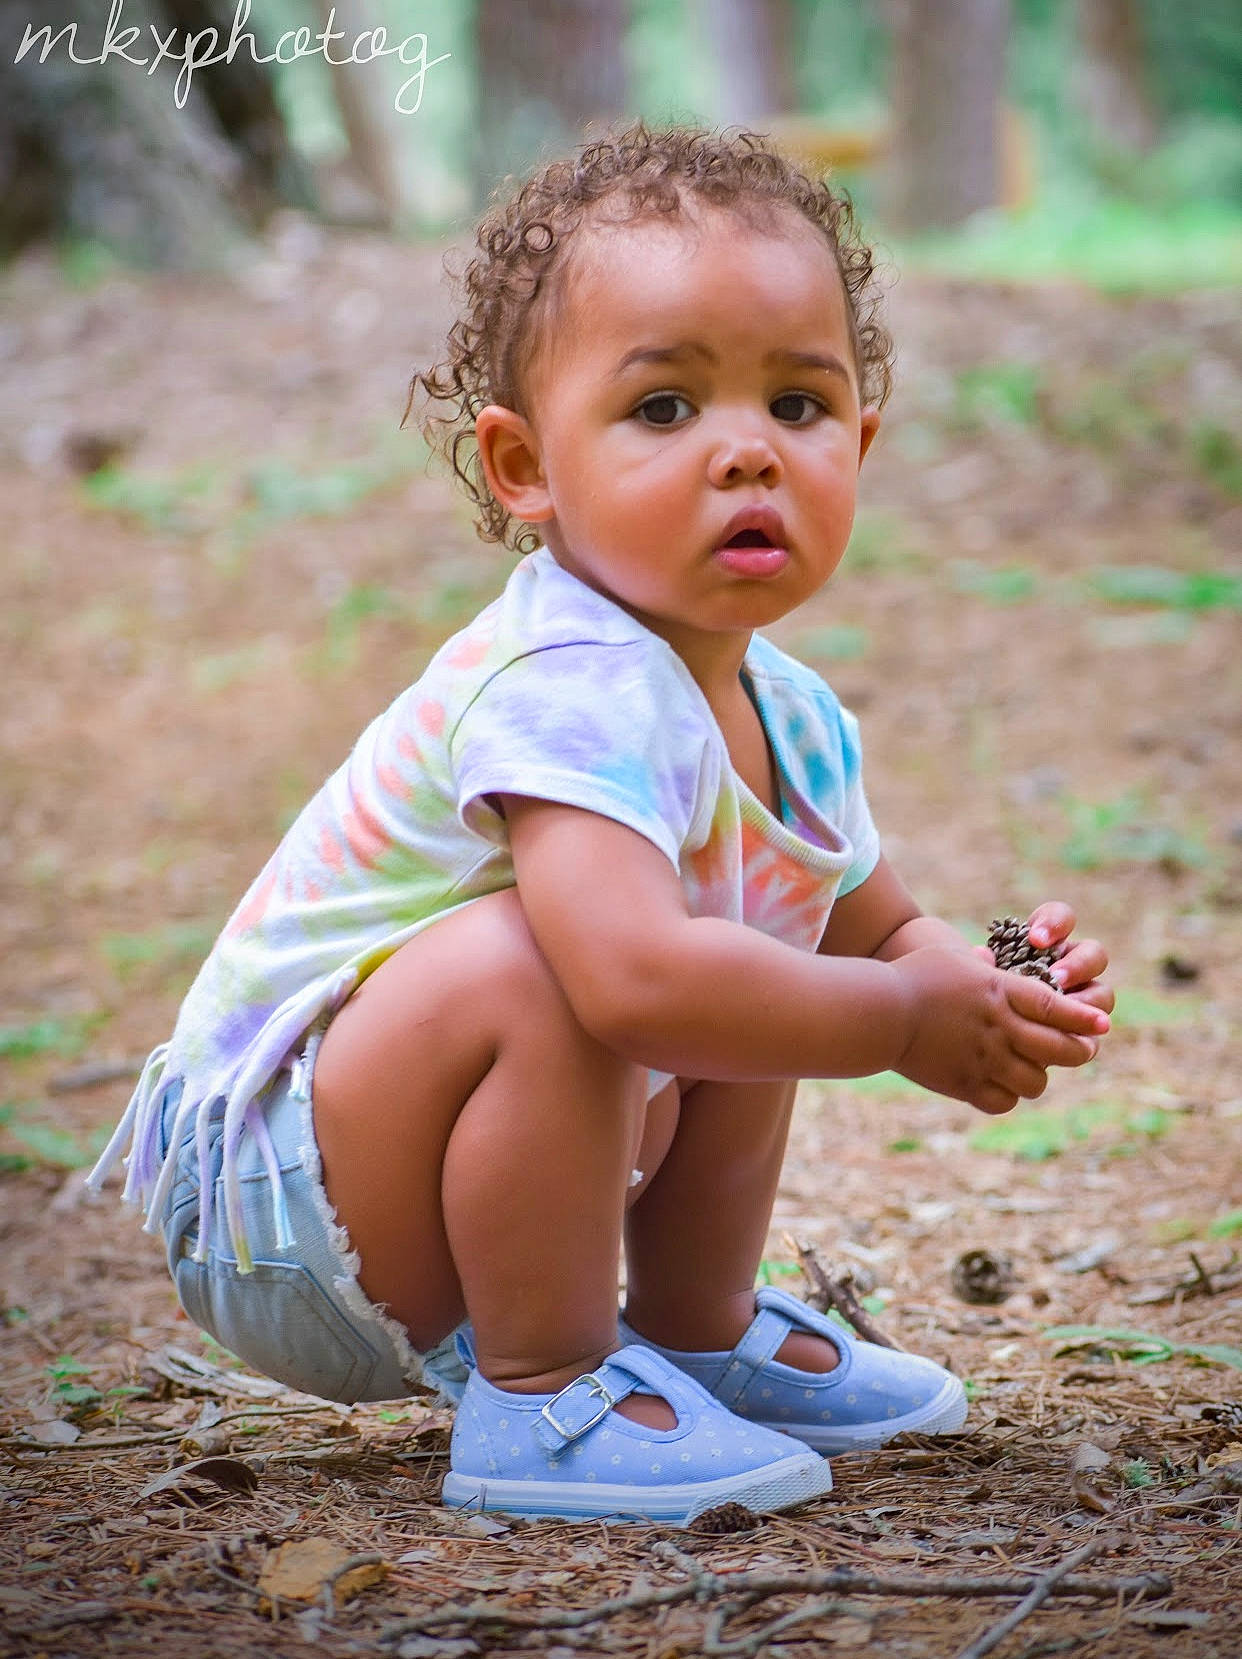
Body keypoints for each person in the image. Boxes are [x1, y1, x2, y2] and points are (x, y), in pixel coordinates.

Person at [89, 124, 1113, 1527]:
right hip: (286, 1217)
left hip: (418, 1164)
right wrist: (894, 1022)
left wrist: (979, 989)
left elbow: (873, 924)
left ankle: (696, 1331)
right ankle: (546, 1386)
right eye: (662, 410)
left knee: (766, 932)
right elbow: (631, 984)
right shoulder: (565, 686)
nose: (744, 452)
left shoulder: (787, 709)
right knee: (577, 954)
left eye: (798, 408)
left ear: (859, 443)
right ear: (525, 467)